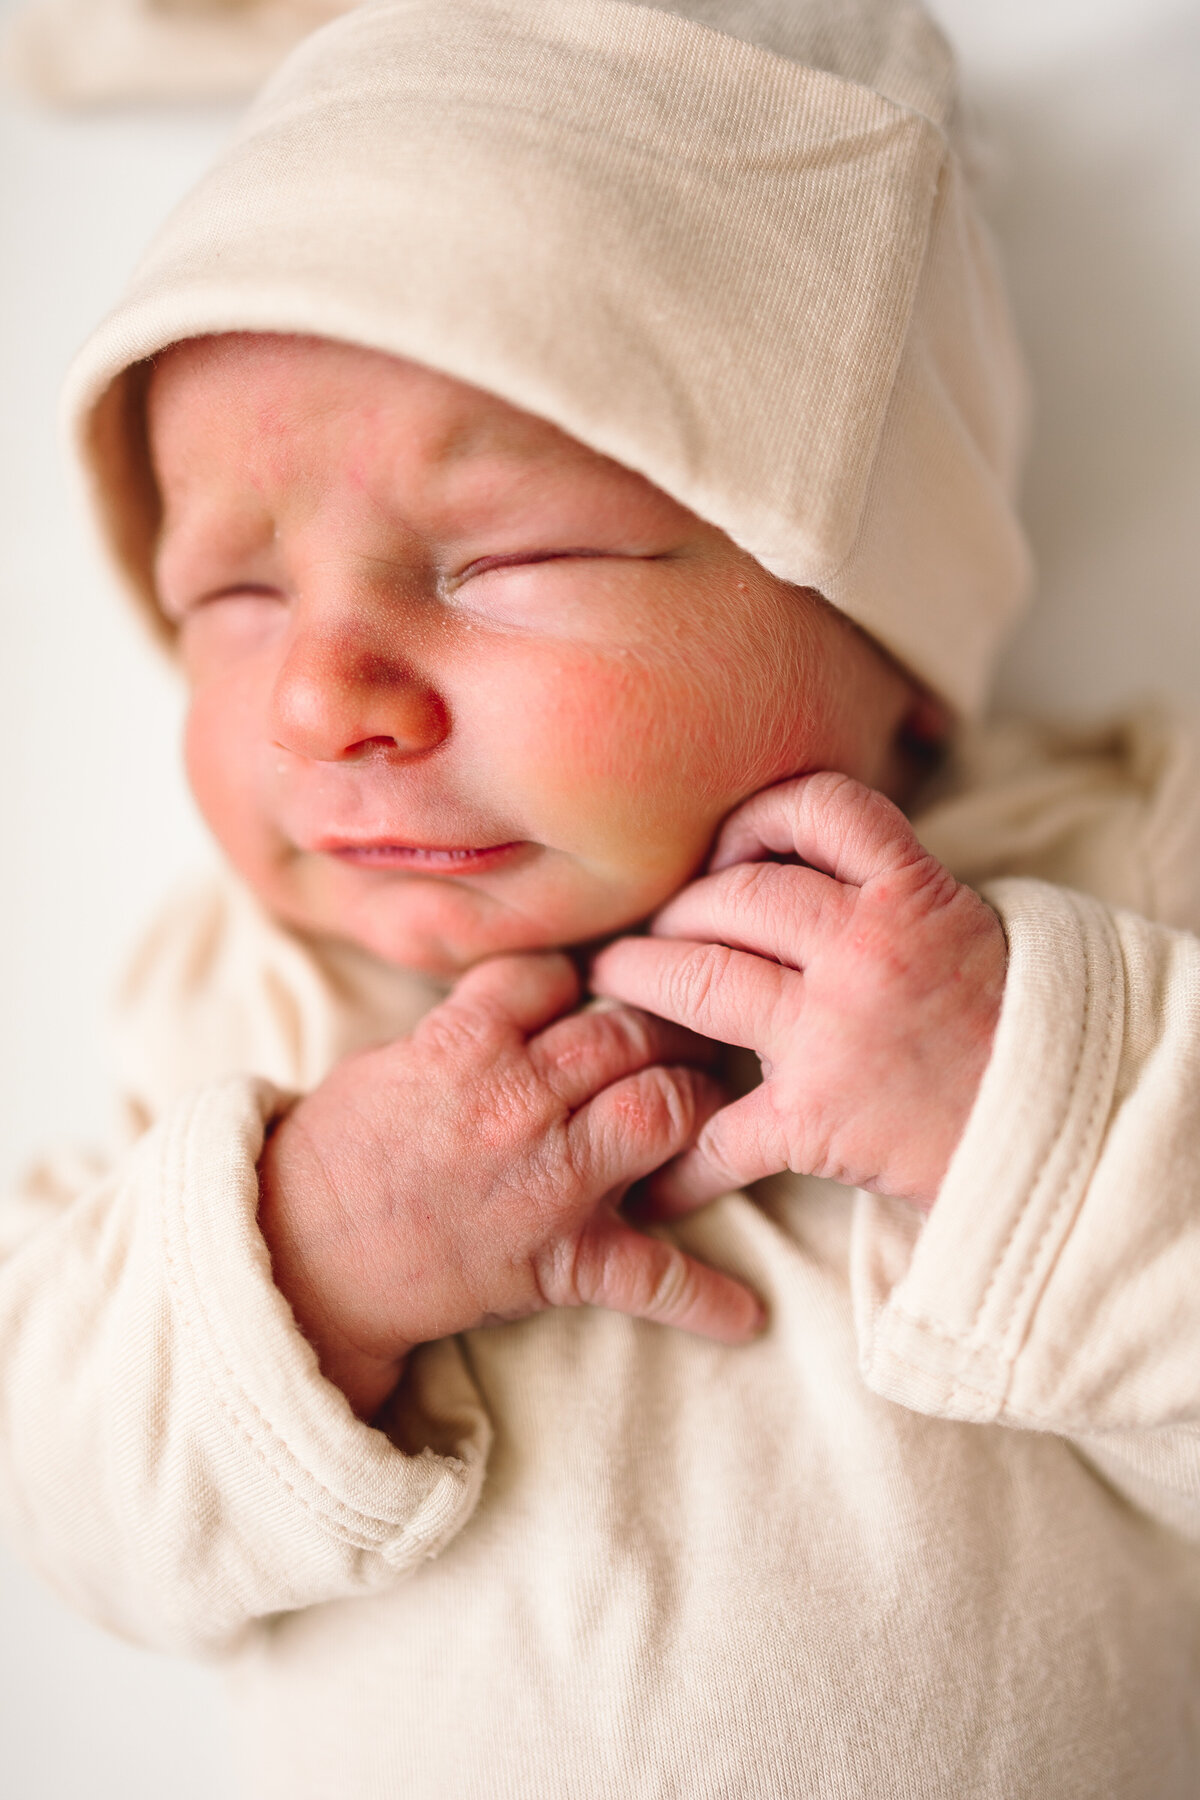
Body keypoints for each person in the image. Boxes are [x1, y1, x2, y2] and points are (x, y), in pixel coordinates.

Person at [4, 1, 1200, 1793]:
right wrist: (309, 1262)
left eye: (508, 561)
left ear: (886, 621)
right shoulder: (244, 1002)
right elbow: (65, 1499)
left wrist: (1011, 1103)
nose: (322, 697)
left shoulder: (1108, 868)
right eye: (230, 597)